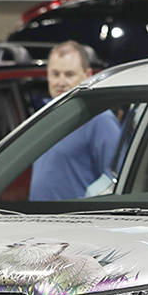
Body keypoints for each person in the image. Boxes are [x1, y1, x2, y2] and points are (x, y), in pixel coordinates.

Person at [28, 41, 121, 200]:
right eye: (55, 74)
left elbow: (115, 180)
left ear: (88, 75)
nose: (61, 82)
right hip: (37, 220)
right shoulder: (42, 117)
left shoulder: (100, 120)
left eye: (69, 74)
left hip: (74, 221)